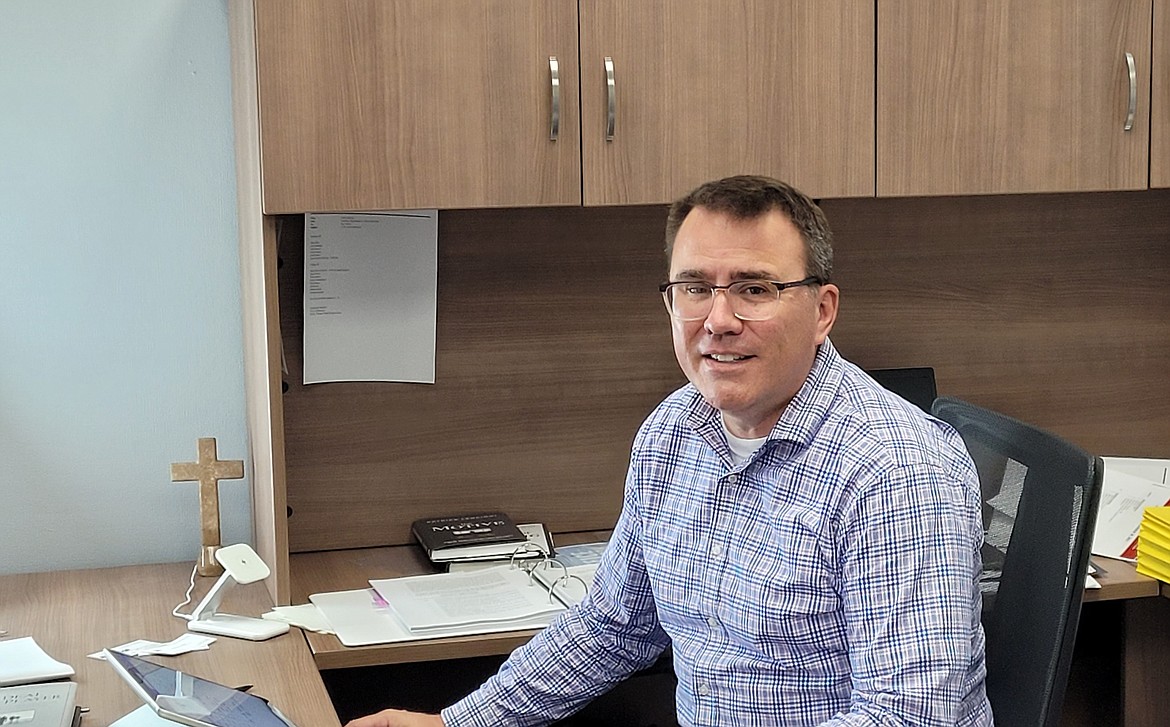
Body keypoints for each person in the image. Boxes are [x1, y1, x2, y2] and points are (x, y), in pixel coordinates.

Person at [348, 175, 993, 726]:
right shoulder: (674, 429)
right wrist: (462, 722)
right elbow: (611, 627)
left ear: (822, 310)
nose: (717, 320)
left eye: (754, 288)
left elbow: (908, 716)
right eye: (694, 287)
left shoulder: (899, 471)